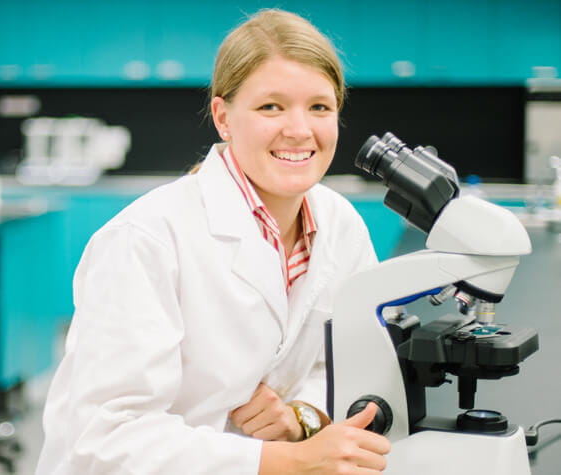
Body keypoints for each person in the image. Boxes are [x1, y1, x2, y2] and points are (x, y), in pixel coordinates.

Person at [37, 8, 391, 474]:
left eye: (320, 107)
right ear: (224, 117)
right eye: (271, 107)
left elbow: (348, 363)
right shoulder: (145, 239)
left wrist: (300, 417)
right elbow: (105, 439)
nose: (299, 129)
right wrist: (285, 460)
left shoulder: (340, 224)